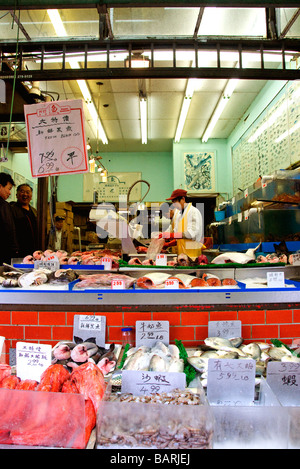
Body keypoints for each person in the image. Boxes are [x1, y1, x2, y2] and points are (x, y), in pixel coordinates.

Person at [159, 189, 204, 259]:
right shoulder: (178, 214)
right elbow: (176, 231)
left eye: (175, 202)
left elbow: (191, 233)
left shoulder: (193, 212)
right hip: (181, 253)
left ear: (183, 199)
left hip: (192, 253)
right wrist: (164, 235)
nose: (174, 205)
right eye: (173, 203)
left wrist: (171, 235)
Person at [10, 183, 38, 258]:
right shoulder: (11, 209)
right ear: (17, 195)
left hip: (34, 250)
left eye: (28, 192)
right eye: (22, 191)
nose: (25, 194)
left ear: (31, 196)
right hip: (18, 251)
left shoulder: (34, 211)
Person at [0, 172, 19, 265]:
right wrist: (14, 248)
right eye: (9, 189)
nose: (9, 192)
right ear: (0, 186)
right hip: (4, 252)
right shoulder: (3, 206)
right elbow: (8, 228)